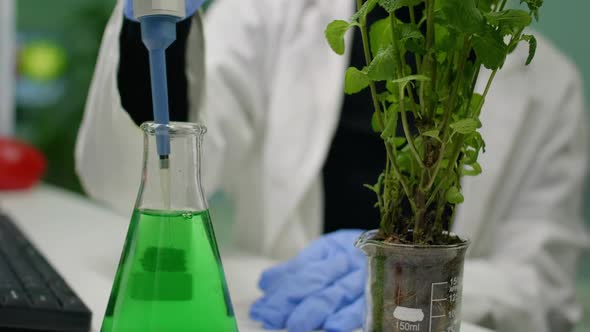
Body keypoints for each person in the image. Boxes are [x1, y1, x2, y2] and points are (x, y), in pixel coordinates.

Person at [76, 0, 590, 331]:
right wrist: (145, 27)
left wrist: (419, 289)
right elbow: (140, 178)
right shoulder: (269, 13)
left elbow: (544, 287)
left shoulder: (547, 82)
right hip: (277, 317)